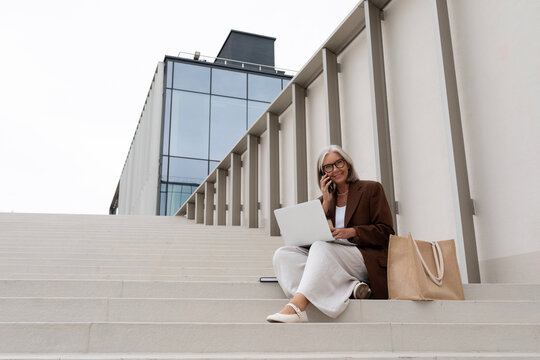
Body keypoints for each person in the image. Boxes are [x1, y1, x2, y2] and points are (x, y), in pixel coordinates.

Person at [266, 145, 395, 323]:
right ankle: (351, 289)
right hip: (332, 256)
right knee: (283, 254)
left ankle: (297, 306)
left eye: (339, 163)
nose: (335, 169)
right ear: (322, 174)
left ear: (348, 164)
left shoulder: (371, 189)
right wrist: (326, 203)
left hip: (365, 257)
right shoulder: (323, 201)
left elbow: (386, 232)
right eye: (328, 167)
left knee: (321, 247)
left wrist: (351, 232)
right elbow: (307, 242)